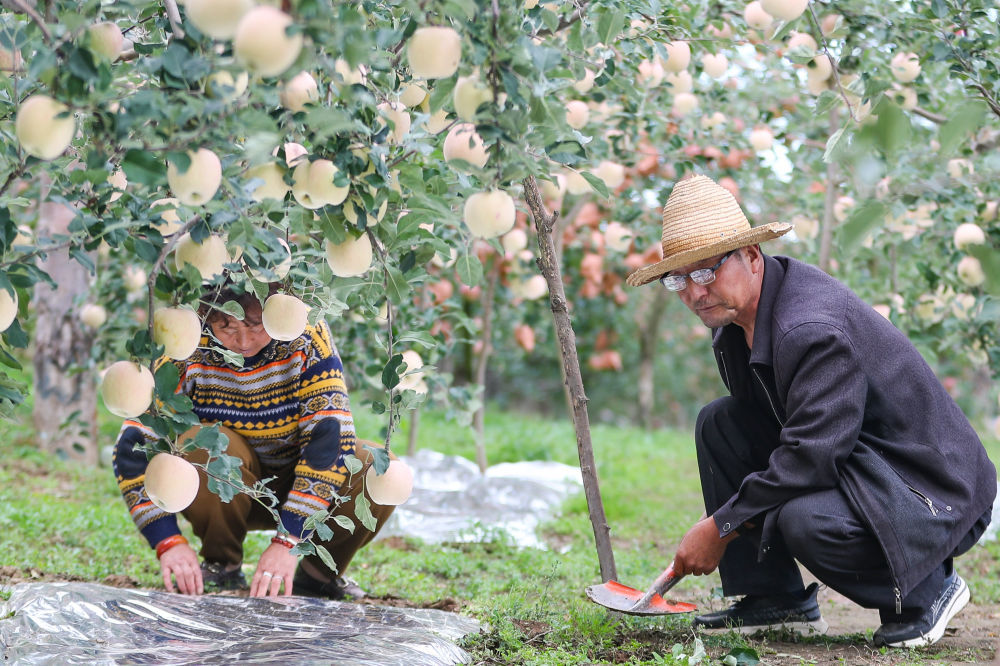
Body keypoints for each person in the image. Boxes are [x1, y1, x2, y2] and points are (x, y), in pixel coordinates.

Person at [625, 174, 997, 647]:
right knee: (720, 424)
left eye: (706, 272)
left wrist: (720, 526)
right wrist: (732, 517)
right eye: (679, 278)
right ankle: (775, 599)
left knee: (805, 521)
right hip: (860, 460)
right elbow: (781, 429)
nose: (695, 293)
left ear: (751, 256)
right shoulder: (733, 321)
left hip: (931, 489)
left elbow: (811, 458)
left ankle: (926, 591)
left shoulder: (810, 328)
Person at [113, 284, 394, 599]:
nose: (243, 342)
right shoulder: (186, 340)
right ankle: (222, 565)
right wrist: (167, 541)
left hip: (301, 481)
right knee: (202, 444)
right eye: (226, 327)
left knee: (379, 468)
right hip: (227, 489)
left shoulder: (303, 332)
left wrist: (289, 539)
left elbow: (328, 441)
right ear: (205, 315)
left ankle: (318, 576)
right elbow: (133, 444)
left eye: (256, 326)